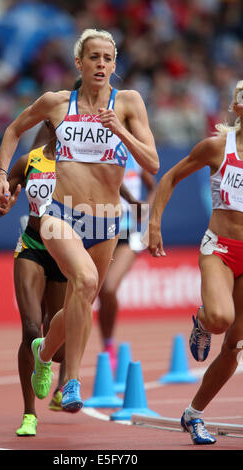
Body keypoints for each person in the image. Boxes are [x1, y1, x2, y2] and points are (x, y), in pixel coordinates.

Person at [0, 28, 159, 413]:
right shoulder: (56, 103)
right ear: (79, 63)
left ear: (115, 66)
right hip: (59, 215)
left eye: (107, 59)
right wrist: (2, 175)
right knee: (84, 281)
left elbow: (152, 162)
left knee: (82, 298)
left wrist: (121, 131)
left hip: (106, 220)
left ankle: (43, 351)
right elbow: (13, 130)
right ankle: (71, 380)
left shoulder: (129, 103)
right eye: (93, 57)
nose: (101, 64)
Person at [148, 79, 243, 445]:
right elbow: (170, 176)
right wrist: (154, 223)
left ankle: (194, 414)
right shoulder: (218, 147)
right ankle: (202, 319)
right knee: (221, 318)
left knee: (234, 348)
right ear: (237, 109)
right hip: (219, 248)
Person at [0, 121, 67, 436]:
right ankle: (29, 414)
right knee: (31, 329)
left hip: (65, 252)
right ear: (50, 124)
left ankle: (48, 359)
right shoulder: (29, 160)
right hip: (32, 246)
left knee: (58, 348)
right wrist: (2, 206)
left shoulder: (79, 162)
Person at [97, 152, 156, 370]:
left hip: (127, 234)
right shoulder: (99, 151)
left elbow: (152, 187)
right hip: (99, 232)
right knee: (97, 291)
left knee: (109, 288)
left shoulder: (135, 158)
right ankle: (100, 343)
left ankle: (108, 345)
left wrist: (145, 209)